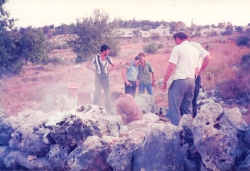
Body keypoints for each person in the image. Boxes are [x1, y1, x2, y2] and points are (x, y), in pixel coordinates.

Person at [161, 32, 199, 126]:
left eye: (175, 40)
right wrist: (192, 79)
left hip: (179, 82)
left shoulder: (178, 48)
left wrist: (164, 82)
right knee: (187, 109)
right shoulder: (195, 50)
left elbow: (171, 67)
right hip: (191, 81)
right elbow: (197, 69)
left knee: (174, 108)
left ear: (177, 38)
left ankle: (177, 133)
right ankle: (188, 133)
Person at [185, 37, 211, 118]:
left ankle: (193, 119)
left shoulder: (195, 46)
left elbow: (208, 57)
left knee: (193, 100)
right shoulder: (179, 48)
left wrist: (200, 71)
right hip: (183, 77)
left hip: (194, 76)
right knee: (185, 101)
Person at [85, 44, 115, 113]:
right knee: (97, 93)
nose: (108, 52)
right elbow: (87, 65)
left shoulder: (108, 58)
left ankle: (108, 111)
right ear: (103, 50)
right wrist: (94, 70)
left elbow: (114, 66)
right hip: (98, 77)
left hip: (106, 77)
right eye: (108, 51)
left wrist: (107, 71)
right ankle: (95, 110)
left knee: (107, 94)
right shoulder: (95, 57)